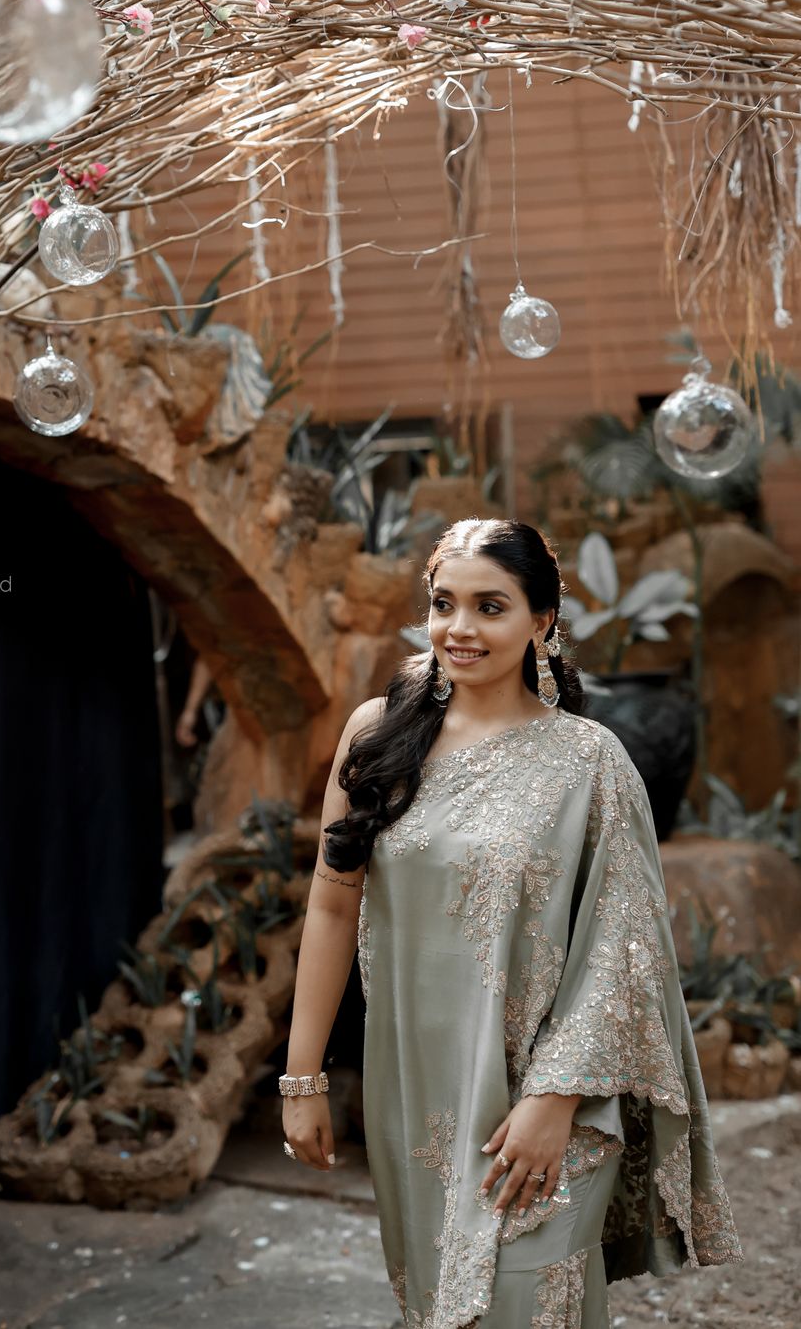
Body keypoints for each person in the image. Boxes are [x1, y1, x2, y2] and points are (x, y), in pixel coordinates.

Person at [280, 517, 740, 1328]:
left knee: (531, 1304)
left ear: (542, 621)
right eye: (443, 604)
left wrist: (554, 1101)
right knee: (436, 1305)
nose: (460, 629)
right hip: (417, 1090)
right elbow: (330, 900)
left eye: (489, 607)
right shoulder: (378, 734)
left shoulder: (590, 761)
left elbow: (625, 951)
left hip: (556, 1100)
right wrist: (303, 1076)